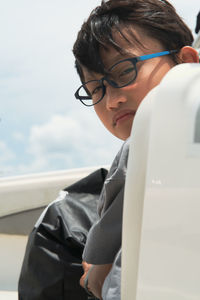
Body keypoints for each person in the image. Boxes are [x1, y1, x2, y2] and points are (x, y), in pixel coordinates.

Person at [72, 0, 199, 299]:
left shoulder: (144, 138)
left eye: (124, 71)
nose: (111, 101)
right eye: (96, 90)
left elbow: (98, 271)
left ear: (188, 63)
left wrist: (91, 276)